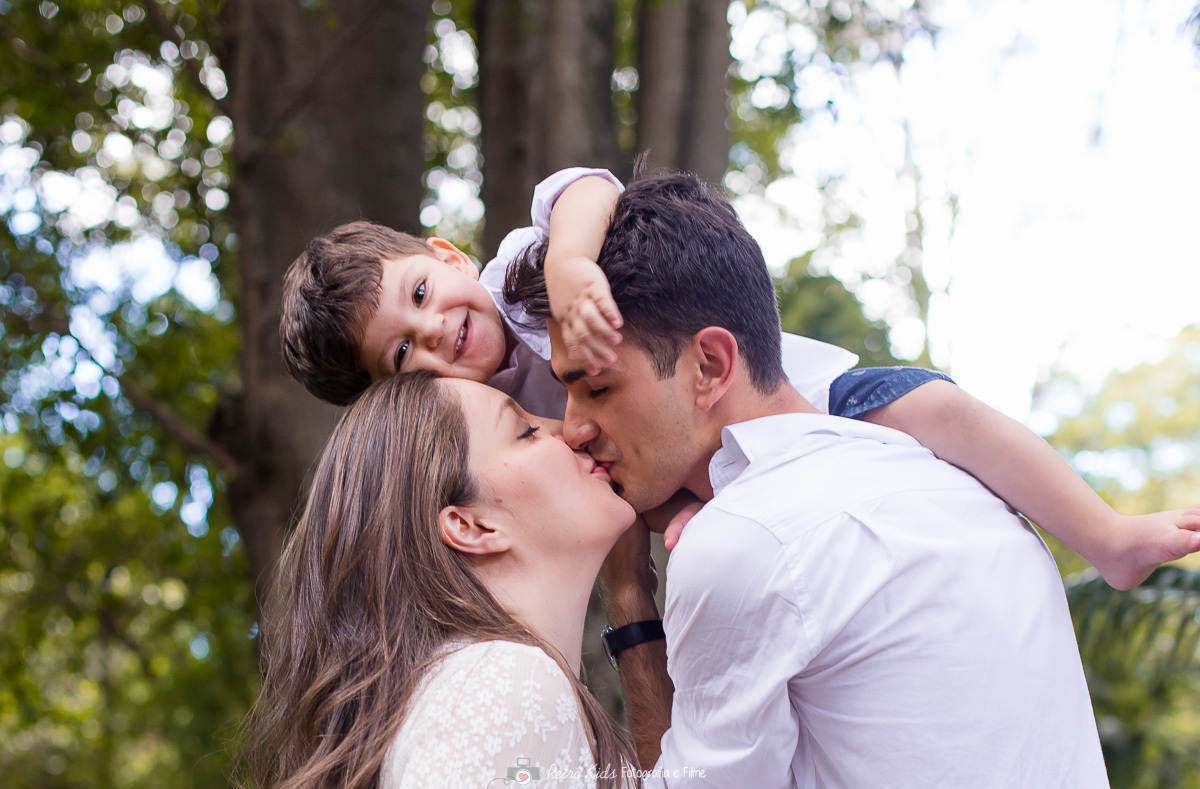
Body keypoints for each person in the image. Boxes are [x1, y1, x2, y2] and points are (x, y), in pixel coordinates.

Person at [505, 167, 1155, 789]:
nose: (574, 429)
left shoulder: (744, 542)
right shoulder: (957, 477)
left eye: (598, 388)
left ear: (709, 364)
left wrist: (628, 598)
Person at [279, 168, 1200, 590]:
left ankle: (1104, 534)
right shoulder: (487, 423)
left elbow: (588, 188)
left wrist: (571, 267)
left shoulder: (524, 276)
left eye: (422, 293)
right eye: (403, 353)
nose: (438, 332)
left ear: (443, 254)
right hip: (691, 482)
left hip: (791, 397)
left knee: (937, 406)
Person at [240, 370, 643, 789]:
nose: (568, 430)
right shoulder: (499, 687)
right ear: (471, 526)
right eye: (526, 431)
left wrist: (631, 594)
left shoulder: (462, 691)